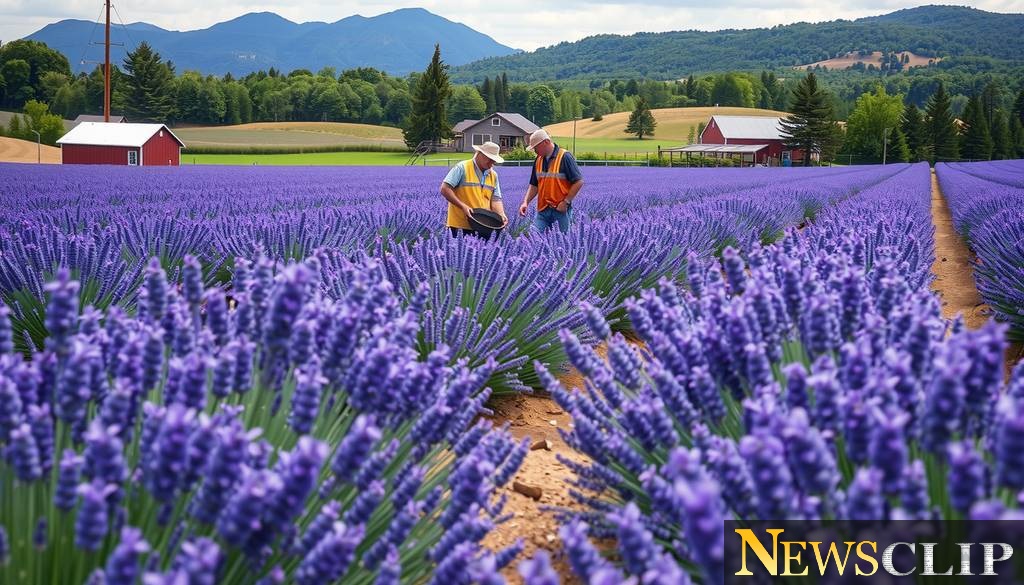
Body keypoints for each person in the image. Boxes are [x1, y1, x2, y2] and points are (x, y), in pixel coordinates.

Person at [518, 129, 584, 233]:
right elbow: (534, 185)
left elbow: (578, 181)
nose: (535, 151)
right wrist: (525, 202)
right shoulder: (538, 160)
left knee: (563, 242)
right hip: (543, 210)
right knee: (534, 237)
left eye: (536, 147)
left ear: (546, 142)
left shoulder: (565, 157)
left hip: (560, 210)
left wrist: (566, 202)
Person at [440, 141, 508, 239]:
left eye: (493, 161)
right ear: (479, 154)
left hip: (484, 226)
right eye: (489, 159)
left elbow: (496, 199)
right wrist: (463, 206)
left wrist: (501, 214)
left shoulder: (493, 175)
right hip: (460, 225)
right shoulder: (462, 167)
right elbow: (445, 189)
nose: (491, 164)